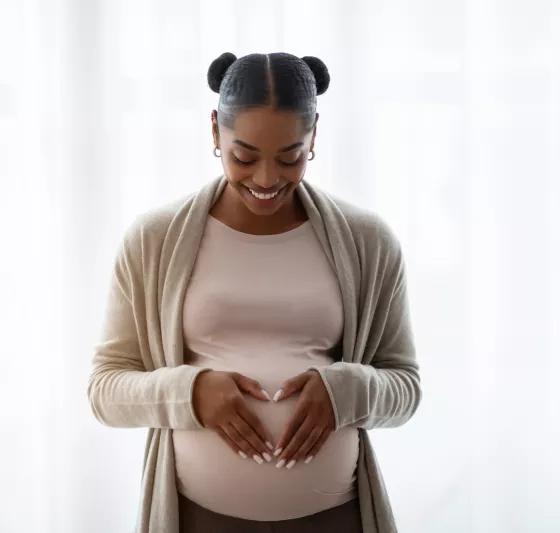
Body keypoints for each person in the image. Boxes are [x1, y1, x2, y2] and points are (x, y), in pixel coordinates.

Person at [88, 51, 422, 533]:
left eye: (290, 157)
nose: (266, 180)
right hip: (200, 519)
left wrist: (347, 391)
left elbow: (405, 388)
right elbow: (105, 390)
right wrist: (192, 393)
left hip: (335, 519)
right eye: (243, 157)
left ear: (314, 136)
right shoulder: (155, 239)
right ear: (214, 132)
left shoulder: (367, 241)